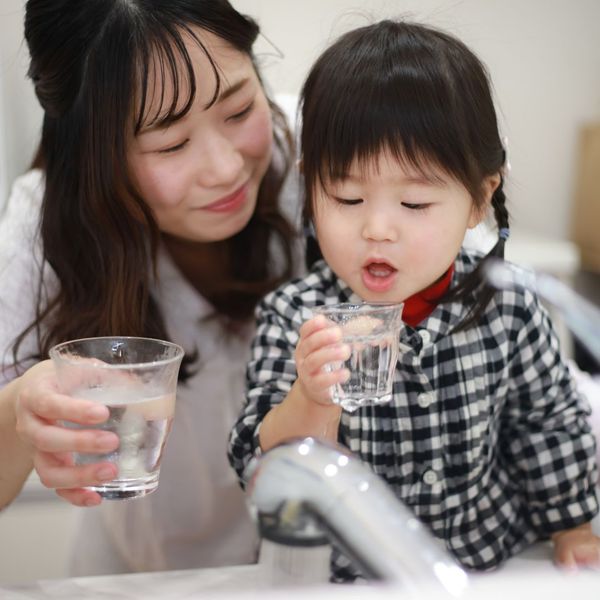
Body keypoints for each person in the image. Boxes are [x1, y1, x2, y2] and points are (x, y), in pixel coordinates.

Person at [228, 20, 600, 582]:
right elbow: (258, 463)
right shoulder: (293, 315)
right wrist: (311, 397)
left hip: (482, 563)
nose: (377, 228)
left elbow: (548, 424)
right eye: (348, 196)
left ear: (479, 198)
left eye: (415, 203)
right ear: (310, 189)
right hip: (341, 574)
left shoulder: (511, 308)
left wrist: (572, 525)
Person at [0, 0, 299, 575]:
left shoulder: (324, 156)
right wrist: (20, 410)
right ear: (94, 156)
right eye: (169, 145)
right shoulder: (44, 225)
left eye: (238, 110)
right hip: (147, 580)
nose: (224, 167)